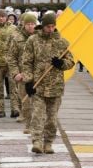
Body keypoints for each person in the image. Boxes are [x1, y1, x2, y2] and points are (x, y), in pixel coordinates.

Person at [22, 12, 75, 154]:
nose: (50, 29)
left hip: (55, 87)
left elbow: (71, 62)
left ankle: (48, 142)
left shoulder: (62, 42)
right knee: (37, 115)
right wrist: (28, 80)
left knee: (51, 118)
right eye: (48, 26)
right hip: (38, 85)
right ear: (43, 26)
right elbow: (26, 62)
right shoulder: (33, 40)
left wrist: (61, 63)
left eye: (53, 26)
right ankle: (37, 141)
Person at [6, 13, 37, 128]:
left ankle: (36, 119)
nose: (30, 26)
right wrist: (15, 73)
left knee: (38, 100)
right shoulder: (17, 38)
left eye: (32, 24)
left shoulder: (39, 38)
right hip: (22, 73)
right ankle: (25, 116)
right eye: (28, 24)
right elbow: (11, 57)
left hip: (37, 74)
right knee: (24, 98)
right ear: (23, 25)